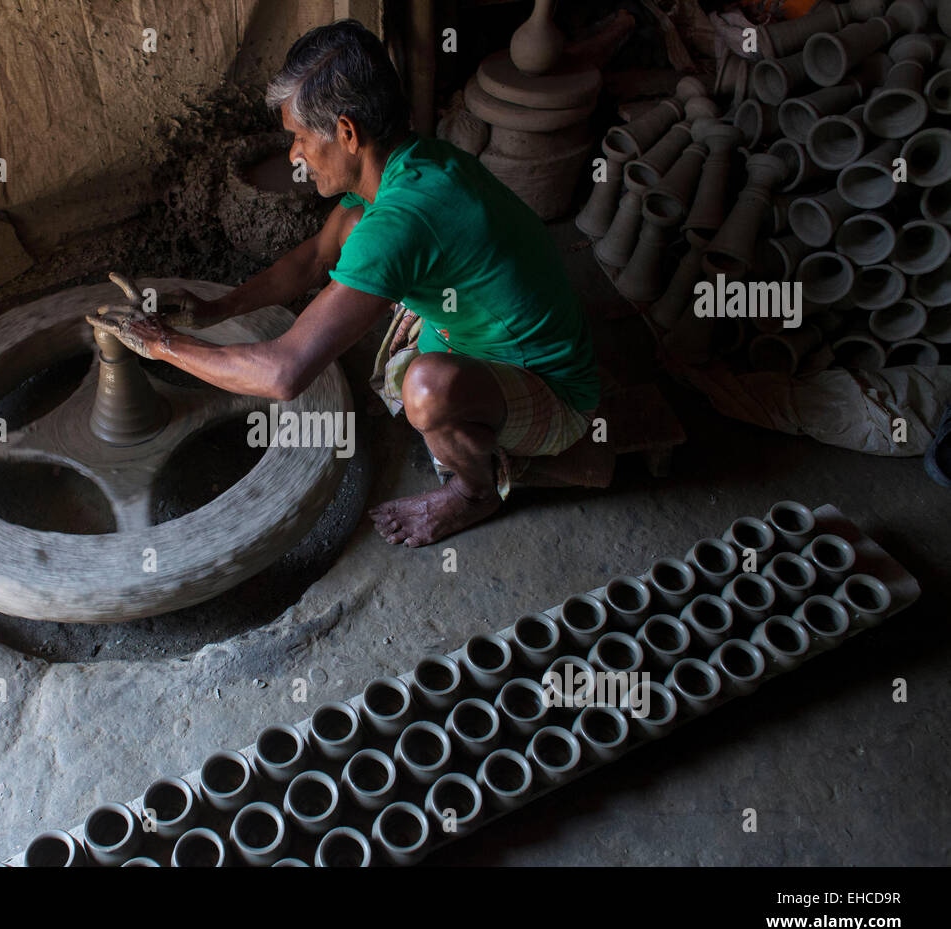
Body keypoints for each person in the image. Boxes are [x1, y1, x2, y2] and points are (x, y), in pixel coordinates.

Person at [89, 19, 600, 547]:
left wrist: (162, 346)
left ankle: (475, 492)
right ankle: (453, 400)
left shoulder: (404, 221)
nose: (293, 155)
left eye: (300, 138)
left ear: (348, 133)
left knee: (426, 390)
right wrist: (215, 310)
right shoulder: (409, 165)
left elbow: (284, 373)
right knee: (354, 234)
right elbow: (313, 259)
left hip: (552, 390)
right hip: (475, 332)